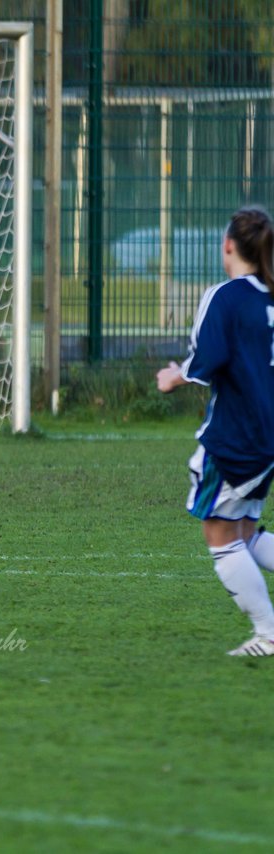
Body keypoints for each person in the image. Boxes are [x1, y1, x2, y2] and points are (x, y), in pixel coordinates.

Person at [157, 205, 274, 656]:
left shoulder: (224, 297)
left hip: (234, 436)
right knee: (245, 532)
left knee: (219, 535)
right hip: (268, 438)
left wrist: (173, 376)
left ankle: (267, 633)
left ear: (228, 246)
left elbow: (206, 362)